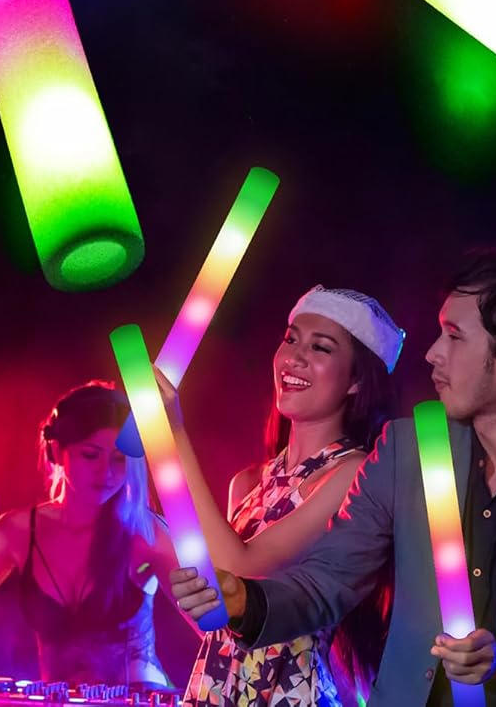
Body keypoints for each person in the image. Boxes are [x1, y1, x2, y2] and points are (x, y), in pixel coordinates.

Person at [172, 251, 496, 705]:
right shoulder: (406, 449)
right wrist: (246, 601)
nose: (432, 353)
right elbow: (329, 579)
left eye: (454, 337)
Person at [168, 285, 402, 706]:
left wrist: (171, 435)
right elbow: (221, 615)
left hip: (292, 693)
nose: (295, 357)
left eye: (320, 347)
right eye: (291, 340)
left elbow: (243, 568)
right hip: (216, 688)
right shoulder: (246, 483)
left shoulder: (354, 473)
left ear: (355, 380)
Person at [0, 379, 172, 686]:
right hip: (57, 699)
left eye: (119, 459)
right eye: (90, 455)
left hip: (142, 698)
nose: (106, 471)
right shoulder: (15, 532)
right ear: (57, 451)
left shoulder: (147, 533)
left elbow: (213, 623)